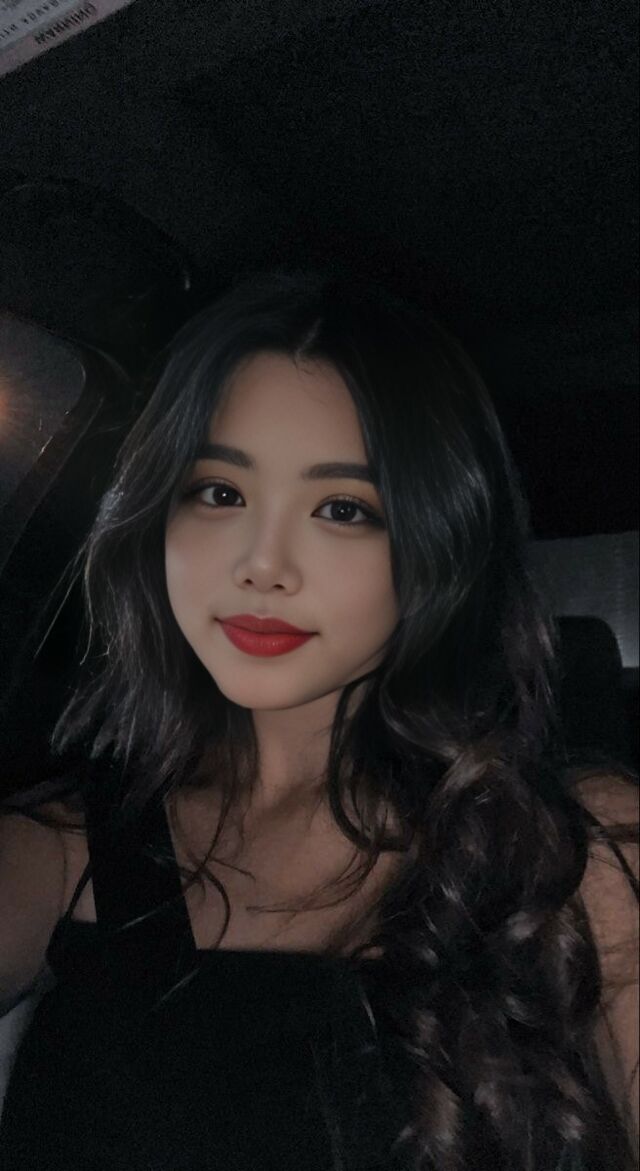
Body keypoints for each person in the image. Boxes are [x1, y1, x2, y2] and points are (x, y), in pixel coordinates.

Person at [0, 266, 637, 1170]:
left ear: (438, 545)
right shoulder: (67, 846)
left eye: (343, 508)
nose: (262, 563)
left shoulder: (575, 854)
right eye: (220, 492)